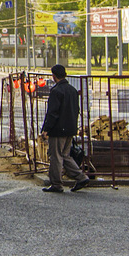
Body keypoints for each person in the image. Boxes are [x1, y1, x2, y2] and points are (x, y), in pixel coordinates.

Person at [40, 64, 92, 193]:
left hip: (58, 129)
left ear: (54, 76)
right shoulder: (72, 90)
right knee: (65, 155)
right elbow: (76, 109)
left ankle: (56, 184)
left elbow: (53, 112)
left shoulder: (56, 91)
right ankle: (81, 177)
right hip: (70, 128)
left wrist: (46, 129)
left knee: (56, 156)